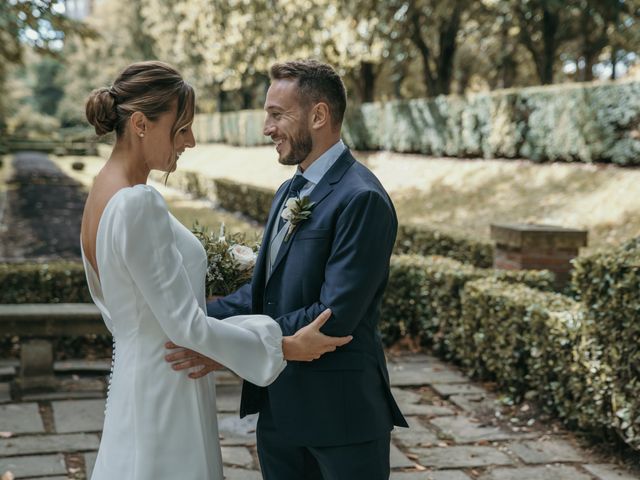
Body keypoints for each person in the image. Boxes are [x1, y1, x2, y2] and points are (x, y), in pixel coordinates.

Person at [79, 60, 351, 480]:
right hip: (169, 387)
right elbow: (186, 326)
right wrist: (282, 345)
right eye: (181, 127)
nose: (189, 141)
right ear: (140, 124)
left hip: (140, 376)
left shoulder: (102, 191)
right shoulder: (138, 203)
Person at [167, 59, 408, 479]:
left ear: (319, 116)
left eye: (278, 114)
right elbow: (263, 293)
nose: (267, 127)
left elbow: (333, 316)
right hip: (278, 408)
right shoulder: (287, 191)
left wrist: (227, 342)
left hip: (341, 416)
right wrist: (198, 319)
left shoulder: (362, 198)